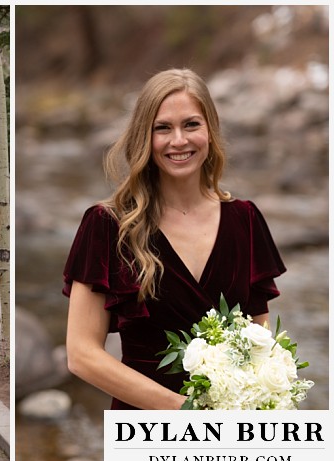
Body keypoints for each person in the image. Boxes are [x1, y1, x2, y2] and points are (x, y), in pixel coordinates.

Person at [63, 68, 287, 410]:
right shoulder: (107, 225)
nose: (179, 140)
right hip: (146, 429)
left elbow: (260, 337)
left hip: (232, 433)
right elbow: (81, 355)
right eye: (162, 128)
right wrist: (185, 410)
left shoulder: (245, 219)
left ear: (210, 131)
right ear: (144, 137)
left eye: (192, 125)